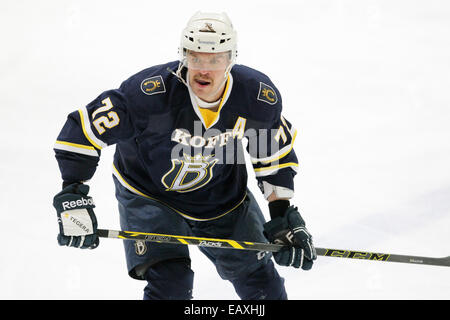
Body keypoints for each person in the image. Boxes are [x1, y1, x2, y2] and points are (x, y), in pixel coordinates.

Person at [52, 11, 317, 300]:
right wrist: (73, 194)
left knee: (263, 288)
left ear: (231, 60)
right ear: (183, 56)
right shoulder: (149, 96)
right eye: (196, 57)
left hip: (221, 198)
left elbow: (272, 154)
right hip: (148, 197)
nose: (204, 68)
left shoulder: (255, 98)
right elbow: (83, 130)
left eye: (215, 59)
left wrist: (280, 215)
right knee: (171, 286)